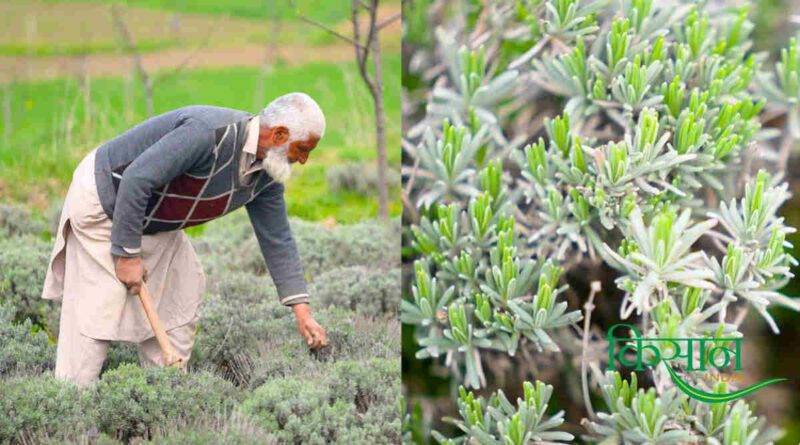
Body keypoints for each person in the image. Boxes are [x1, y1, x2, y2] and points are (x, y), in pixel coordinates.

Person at [41, 93, 328, 387]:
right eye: (302, 149)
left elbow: (277, 238)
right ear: (279, 134)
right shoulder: (208, 133)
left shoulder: (267, 171)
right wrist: (126, 254)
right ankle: (71, 397)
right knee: (97, 308)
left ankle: (167, 391)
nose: (303, 160)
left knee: (185, 286)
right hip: (107, 202)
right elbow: (136, 179)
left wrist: (302, 312)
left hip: (154, 219)